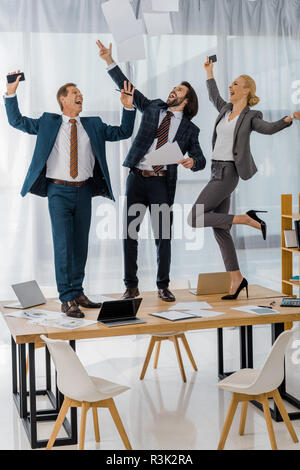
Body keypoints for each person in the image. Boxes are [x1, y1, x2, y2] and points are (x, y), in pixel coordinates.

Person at [4, 71, 136, 317]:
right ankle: (66, 299)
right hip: (58, 191)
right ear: (63, 100)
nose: (80, 96)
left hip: (84, 191)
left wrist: (128, 108)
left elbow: (122, 133)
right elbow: (17, 121)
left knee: (80, 246)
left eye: (81, 94)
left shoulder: (93, 125)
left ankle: (77, 291)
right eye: (75, 93)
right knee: (63, 246)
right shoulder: (48, 122)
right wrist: (11, 93)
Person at [96, 40, 206, 303]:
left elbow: (200, 158)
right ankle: (131, 287)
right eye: (173, 88)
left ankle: (162, 285)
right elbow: (128, 88)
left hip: (160, 183)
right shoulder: (152, 107)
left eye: (178, 90)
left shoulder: (190, 129)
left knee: (163, 236)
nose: (172, 91)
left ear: (187, 100)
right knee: (130, 234)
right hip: (137, 178)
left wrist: (193, 162)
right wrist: (109, 61)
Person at [188, 57, 300, 300]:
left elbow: (269, 128)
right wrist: (209, 71)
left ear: (247, 90)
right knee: (220, 230)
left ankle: (245, 218)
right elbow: (213, 94)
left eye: (236, 84)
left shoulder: (251, 116)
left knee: (194, 217)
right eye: (231, 84)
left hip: (228, 174)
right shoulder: (225, 109)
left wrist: (288, 119)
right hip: (215, 170)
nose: (231, 87)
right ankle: (237, 279)